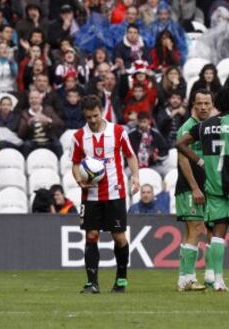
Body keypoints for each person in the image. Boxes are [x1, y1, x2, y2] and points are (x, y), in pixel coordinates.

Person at [176, 87, 229, 292]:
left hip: (213, 187)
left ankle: (218, 281)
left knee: (216, 233)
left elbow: (180, 144)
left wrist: (201, 161)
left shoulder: (204, 126)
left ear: (216, 104)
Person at [71, 95, 139, 294]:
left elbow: (130, 155)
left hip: (115, 192)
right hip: (91, 195)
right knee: (91, 235)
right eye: (88, 117)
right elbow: (75, 163)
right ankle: (92, 283)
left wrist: (135, 176)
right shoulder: (78, 137)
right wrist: (78, 179)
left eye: (95, 115)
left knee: (119, 237)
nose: (92, 120)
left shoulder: (118, 132)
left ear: (101, 111)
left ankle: (121, 280)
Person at [175, 89, 213, 292]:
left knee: (194, 230)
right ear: (193, 106)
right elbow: (182, 158)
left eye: (207, 103)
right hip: (190, 188)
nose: (204, 107)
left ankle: (186, 277)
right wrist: (195, 188)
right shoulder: (187, 128)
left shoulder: (206, 128)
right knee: (197, 228)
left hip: (203, 187)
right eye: (200, 103)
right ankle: (187, 278)